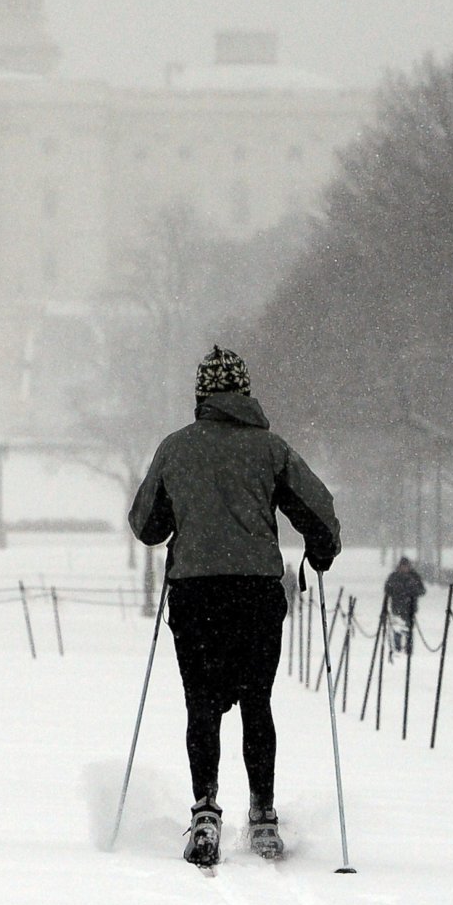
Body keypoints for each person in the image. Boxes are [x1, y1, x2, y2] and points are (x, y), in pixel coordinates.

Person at [130, 346, 341, 868]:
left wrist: (186, 517)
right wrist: (319, 550)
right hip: (254, 593)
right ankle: (263, 814)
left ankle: (205, 810)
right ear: (244, 392)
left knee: (200, 705)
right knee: (256, 702)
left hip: (196, 593)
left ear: (201, 394)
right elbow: (318, 509)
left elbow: (146, 524)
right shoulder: (270, 449)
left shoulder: (175, 449)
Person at [382, 556, 427, 653]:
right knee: (397, 629)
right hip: (397, 608)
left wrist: (412, 590)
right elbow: (387, 589)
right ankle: (397, 648)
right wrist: (396, 590)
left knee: (409, 630)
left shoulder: (414, 577)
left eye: (406, 566)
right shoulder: (394, 577)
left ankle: (408, 649)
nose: (404, 568)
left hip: (410, 608)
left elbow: (422, 591)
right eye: (402, 566)